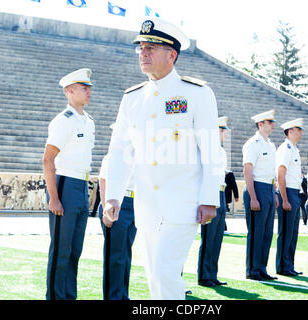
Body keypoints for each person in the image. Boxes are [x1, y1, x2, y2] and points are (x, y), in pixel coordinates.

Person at [103, 17, 222, 300]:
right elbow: (120, 150)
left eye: (151, 48)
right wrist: (112, 196)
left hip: (183, 202)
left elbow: (211, 150)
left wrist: (209, 198)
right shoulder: (132, 98)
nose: (143, 53)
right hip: (146, 204)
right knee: (155, 276)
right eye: (141, 47)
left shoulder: (197, 94)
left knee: (165, 272)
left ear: (172, 54)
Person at [42, 68, 95, 300]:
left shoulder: (88, 121)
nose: (89, 91)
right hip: (64, 185)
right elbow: (47, 160)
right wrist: (54, 198)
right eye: (84, 88)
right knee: (61, 250)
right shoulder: (63, 121)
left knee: (74, 251)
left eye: (89, 87)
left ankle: (68, 296)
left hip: (81, 186)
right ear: (69, 91)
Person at [98, 124, 137, 299]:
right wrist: (106, 207)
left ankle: (122, 294)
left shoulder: (136, 154)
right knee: (115, 256)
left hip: (133, 203)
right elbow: (103, 181)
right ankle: (112, 296)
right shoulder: (113, 156)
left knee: (125, 255)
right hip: (117, 203)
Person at [242, 109, 279, 281]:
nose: (272, 125)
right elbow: (248, 170)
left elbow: (271, 172)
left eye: (272, 122)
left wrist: (275, 193)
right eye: (269, 122)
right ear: (260, 124)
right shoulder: (253, 143)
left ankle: (262, 267)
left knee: (266, 232)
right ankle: (252, 269)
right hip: (257, 188)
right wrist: (254, 197)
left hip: (269, 189)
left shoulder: (270, 145)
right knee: (256, 232)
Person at [197, 116, 229, 287]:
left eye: (224, 130)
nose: (224, 133)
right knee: (208, 237)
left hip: (221, 193)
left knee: (217, 237)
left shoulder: (221, 151)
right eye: (220, 129)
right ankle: (204, 275)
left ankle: (212, 273)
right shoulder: (206, 149)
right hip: (211, 193)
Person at [275, 118, 304, 276]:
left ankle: (289, 264)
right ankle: (283, 266)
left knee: (293, 232)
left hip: (295, 192)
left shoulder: (294, 149)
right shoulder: (285, 149)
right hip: (288, 192)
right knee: (286, 232)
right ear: (290, 131)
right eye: (298, 129)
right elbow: (281, 174)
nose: (301, 132)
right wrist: (285, 198)